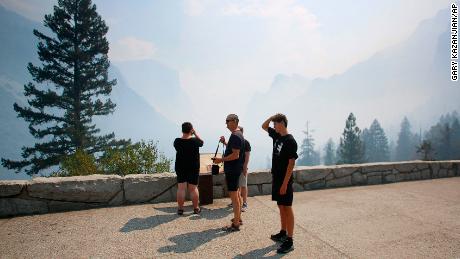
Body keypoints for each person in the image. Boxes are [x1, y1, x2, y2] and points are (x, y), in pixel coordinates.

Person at [262, 114, 298, 253]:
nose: (273, 126)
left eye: (275, 123)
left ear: (282, 123)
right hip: (277, 178)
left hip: (285, 180)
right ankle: (283, 232)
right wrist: (272, 117)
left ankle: (290, 240)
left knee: (287, 207)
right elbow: (264, 126)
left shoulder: (290, 141)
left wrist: (285, 184)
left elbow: (291, 163)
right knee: (281, 206)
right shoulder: (277, 136)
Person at [213, 114, 245, 231]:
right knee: (237, 195)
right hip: (235, 169)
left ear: (235, 121)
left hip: (232, 170)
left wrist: (220, 160)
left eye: (228, 121)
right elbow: (234, 150)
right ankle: (239, 218)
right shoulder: (238, 134)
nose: (226, 123)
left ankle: (236, 224)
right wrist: (225, 142)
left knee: (234, 197)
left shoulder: (235, 136)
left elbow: (235, 155)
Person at [173, 122, 204, 215]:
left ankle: (180, 209)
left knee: (181, 188)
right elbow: (202, 142)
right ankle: (196, 208)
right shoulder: (195, 141)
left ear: (182, 130)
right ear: (191, 130)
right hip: (193, 167)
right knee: (193, 188)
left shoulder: (177, 141)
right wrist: (195, 133)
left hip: (180, 167)